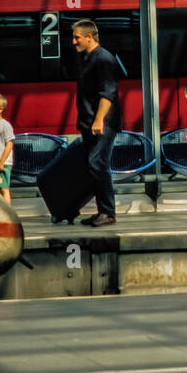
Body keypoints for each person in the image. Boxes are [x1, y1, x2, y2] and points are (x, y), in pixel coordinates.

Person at [72, 19, 121, 227]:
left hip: (102, 123)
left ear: (89, 37)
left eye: (77, 37)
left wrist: (99, 119)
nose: (73, 41)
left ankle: (108, 212)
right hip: (89, 122)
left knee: (97, 163)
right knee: (94, 166)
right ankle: (103, 211)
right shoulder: (86, 57)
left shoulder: (103, 59)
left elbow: (107, 93)